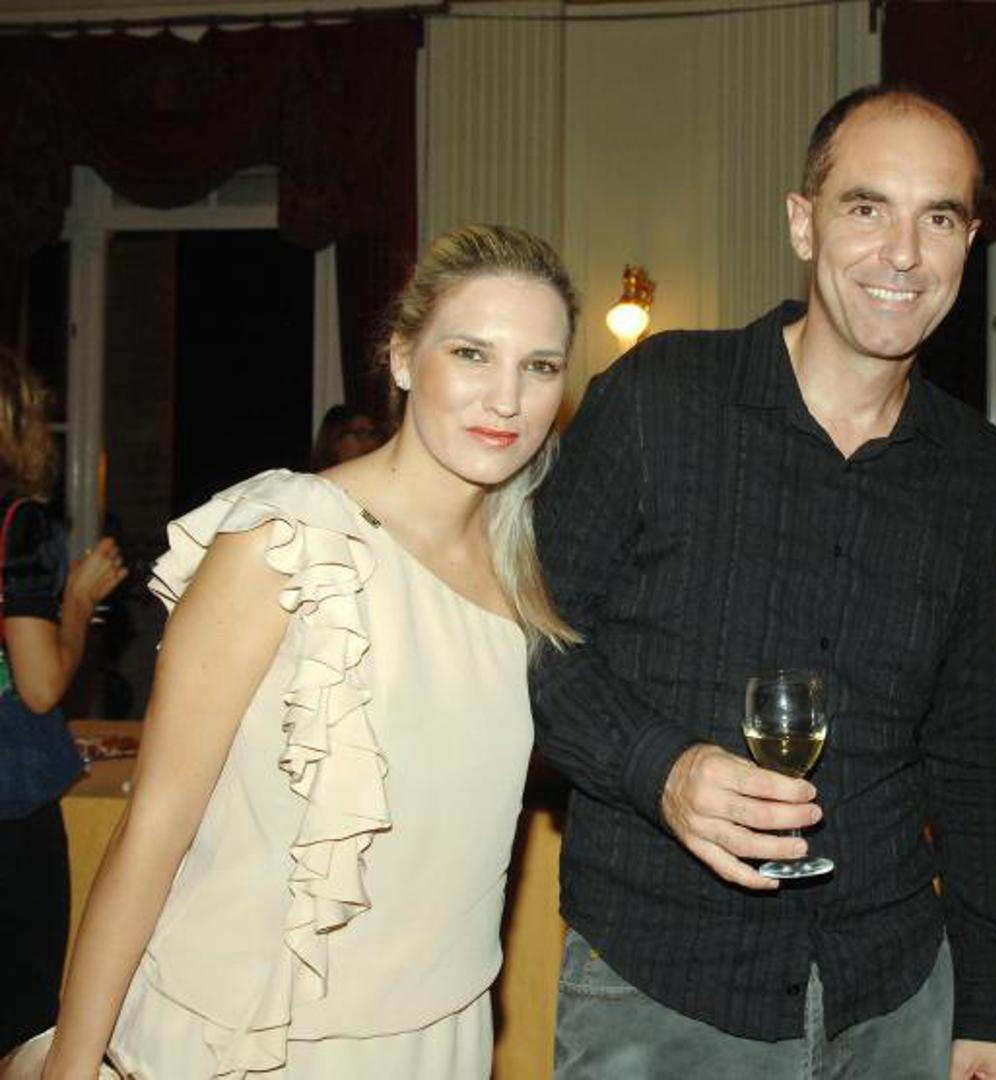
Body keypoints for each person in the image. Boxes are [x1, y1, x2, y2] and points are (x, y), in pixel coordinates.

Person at [533, 86, 996, 1079]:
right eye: (866, 207)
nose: (903, 253)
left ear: (969, 244)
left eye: (938, 219)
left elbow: (975, 747)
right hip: (660, 987)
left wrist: (986, 1004)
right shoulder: (659, 398)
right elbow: (530, 636)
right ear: (803, 223)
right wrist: (662, 770)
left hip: (892, 994)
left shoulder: (977, 472)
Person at [30, 224, 578, 1078]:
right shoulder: (290, 541)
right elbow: (156, 826)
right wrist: (73, 1062)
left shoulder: (529, 580)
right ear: (402, 358)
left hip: (438, 1038)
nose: (506, 399)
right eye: (472, 353)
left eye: (539, 366)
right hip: (252, 1037)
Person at [0, 347, 125, 1056]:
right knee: (20, 1023)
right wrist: (76, 601)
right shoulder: (18, 526)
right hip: (9, 813)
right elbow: (41, 684)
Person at [309, 404, 383, 471]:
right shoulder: (318, 480)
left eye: (373, 433)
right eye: (361, 433)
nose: (372, 441)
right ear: (335, 440)